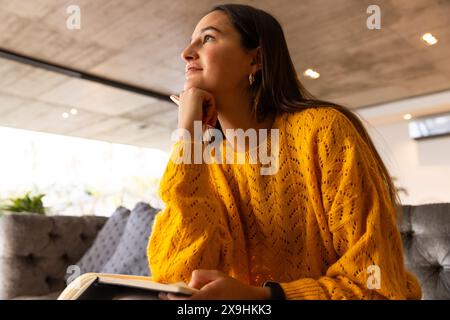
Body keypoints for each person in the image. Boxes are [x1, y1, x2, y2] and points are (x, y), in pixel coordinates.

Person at [147, 3, 422, 300]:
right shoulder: (210, 164)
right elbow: (175, 277)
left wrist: (261, 298)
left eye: (209, 38)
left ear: (256, 59)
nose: (186, 52)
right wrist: (188, 137)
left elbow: (376, 287)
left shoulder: (324, 131)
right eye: (191, 40)